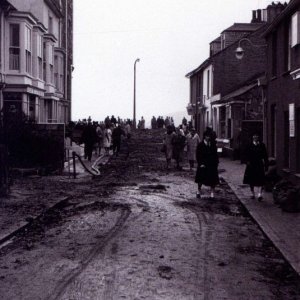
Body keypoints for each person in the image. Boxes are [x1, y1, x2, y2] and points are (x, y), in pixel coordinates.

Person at [243, 133, 269, 201]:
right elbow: (245, 154)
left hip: (259, 164)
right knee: (251, 179)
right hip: (251, 164)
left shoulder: (262, 145)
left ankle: (259, 194)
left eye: (257, 136)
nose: (255, 137)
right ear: (252, 137)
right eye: (254, 136)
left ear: (258, 137)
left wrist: (266, 165)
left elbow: (265, 156)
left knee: (260, 179)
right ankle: (252, 193)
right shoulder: (249, 145)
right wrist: (247, 161)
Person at [195, 132, 219, 199]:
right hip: (203, 164)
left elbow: (215, 155)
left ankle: (212, 193)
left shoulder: (213, 145)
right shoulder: (200, 145)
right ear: (205, 137)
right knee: (200, 179)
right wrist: (200, 163)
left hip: (211, 164)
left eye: (209, 136)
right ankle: (198, 191)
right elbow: (198, 155)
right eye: (207, 136)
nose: (209, 138)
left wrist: (216, 163)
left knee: (213, 179)